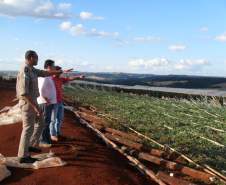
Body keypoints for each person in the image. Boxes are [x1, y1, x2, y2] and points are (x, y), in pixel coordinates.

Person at [16, 50, 62, 163]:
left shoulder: (32, 69)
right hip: (28, 103)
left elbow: (44, 73)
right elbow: (23, 93)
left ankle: (31, 144)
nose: (38, 60)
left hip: (33, 101)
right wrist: (35, 107)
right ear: (31, 57)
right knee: (27, 129)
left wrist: (58, 71)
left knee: (41, 122)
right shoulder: (25, 70)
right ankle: (23, 156)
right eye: (36, 58)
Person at [50, 66, 84, 141]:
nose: (60, 73)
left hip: (60, 102)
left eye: (60, 71)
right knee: (53, 120)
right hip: (53, 102)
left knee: (60, 119)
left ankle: (57, 133)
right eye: (59, 71)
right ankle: (52, 135)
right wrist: (64, 71)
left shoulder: (60, 79)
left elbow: (69, 79)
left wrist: (78, 77)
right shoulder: (51, 79)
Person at [37, 60, 57, 148]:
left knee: (47, 121)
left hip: (48, 103)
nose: (54, 67)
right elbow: (41, 90)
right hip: (45, 103)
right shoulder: (44, 76)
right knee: (44, 122)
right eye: (53, 66)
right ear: (49, 66)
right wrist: (47, 100)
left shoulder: (47, 75)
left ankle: (46, 138)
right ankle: (42, 140)